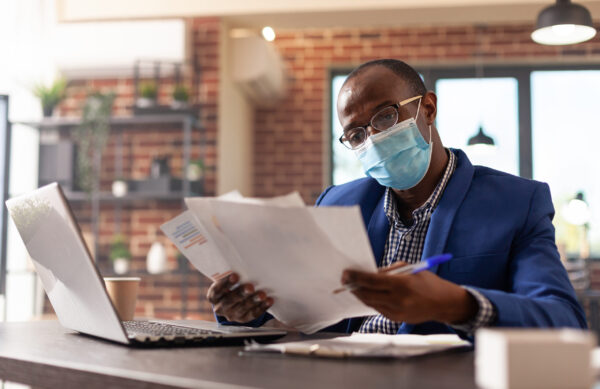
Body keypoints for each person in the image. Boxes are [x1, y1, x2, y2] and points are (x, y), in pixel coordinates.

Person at [207, 59, 587, 336]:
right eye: (356, 134)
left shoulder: (516, 203)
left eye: (385, 117)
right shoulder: (338, 203)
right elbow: (306, 313)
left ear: (428, 109)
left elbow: (564, 320)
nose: (372, 139)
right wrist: (248, 311)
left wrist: (456, 303)